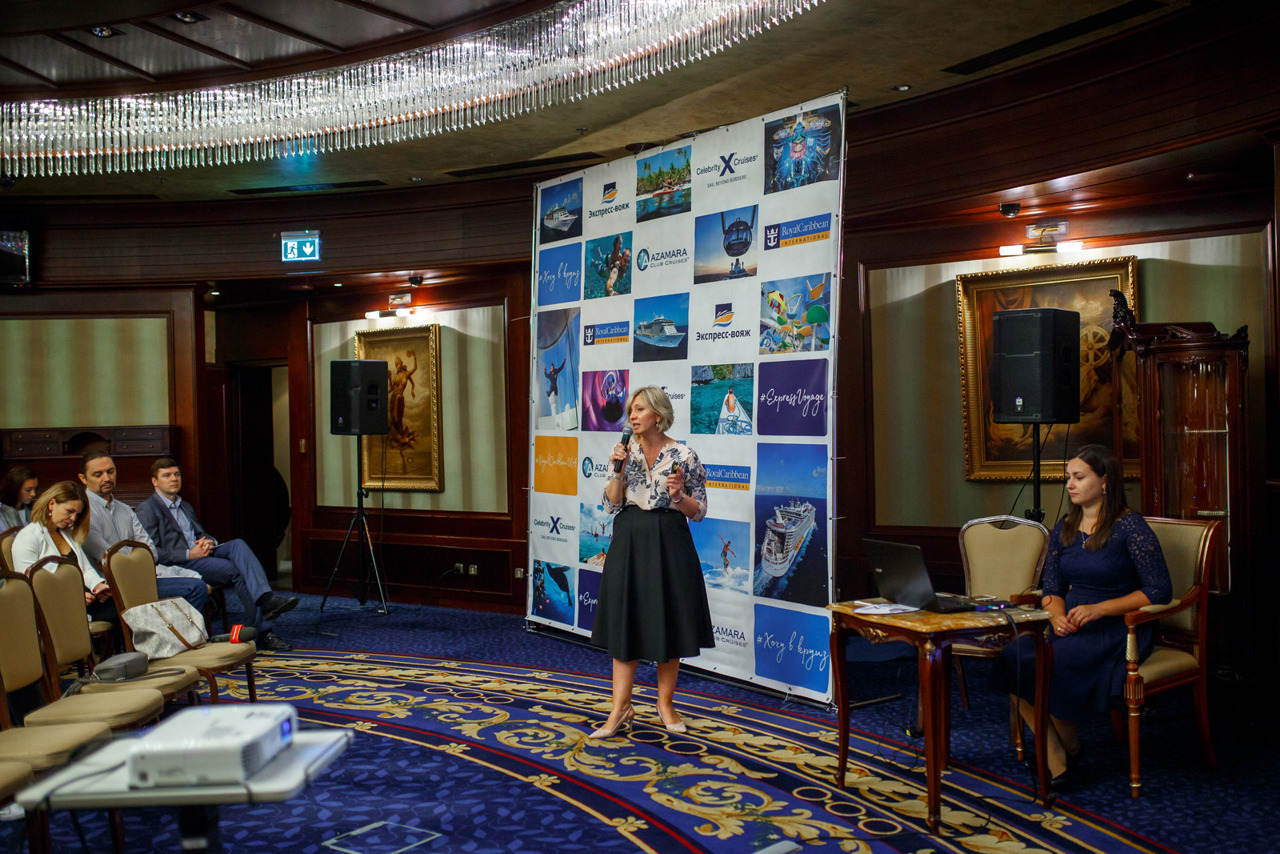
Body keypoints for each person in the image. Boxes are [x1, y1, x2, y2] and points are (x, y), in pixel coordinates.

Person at [990, 444, 1172, 788]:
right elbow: (1052, 588)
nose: (1069, 485)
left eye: (1078, 477)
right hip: (1071, 624)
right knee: (1014, 659)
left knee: (1048, 663)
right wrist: (1056, 617)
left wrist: (1099, 609)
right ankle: (1064, 748)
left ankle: (1059, 760)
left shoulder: (1130, 526)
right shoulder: (1066, 526)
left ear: (1104, 481)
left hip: (1118, 628)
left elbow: (1158, 590)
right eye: (1068, 477)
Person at [589, 386, 713, 738]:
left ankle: (665, 705)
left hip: (669, 539)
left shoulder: (684, 455)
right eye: (631, 410)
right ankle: (620, 708)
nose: (632, 415)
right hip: (629, 537)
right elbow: (610, 504)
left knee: (669, 621)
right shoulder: (623, 451)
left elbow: (699, 511)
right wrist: (618, 471)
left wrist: (678, 495)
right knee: (625, 621)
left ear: (658, 415)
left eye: (640, 409)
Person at [135, 458, 296, 651]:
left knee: (238, 544)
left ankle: (266, 598)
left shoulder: (184, 505)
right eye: (167, 475)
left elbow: (200, 533)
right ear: (155, 481)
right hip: (182, 563)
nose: (174, 479)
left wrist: (209, 541)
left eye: (176, 474)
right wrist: (188, 553)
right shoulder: (148, 508)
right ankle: (264, 630)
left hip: (203, 553)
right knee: (237, 571)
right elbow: (152, 551)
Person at [77, 452, 209, 614]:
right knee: (195, 588)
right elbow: (111, 561)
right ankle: (169, 631)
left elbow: (151, 552)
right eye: (98, 474)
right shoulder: (82, 512)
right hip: (109, 592)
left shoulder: (125, 509)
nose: (107, 478)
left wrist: (136, 563)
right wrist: (137, 559)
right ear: (83, 479)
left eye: (110, 471)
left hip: (139, 581)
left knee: (196, 581)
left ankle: (167, 630)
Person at [10, 481, 116, 623]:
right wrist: (71, 597)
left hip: (81, 601)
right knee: (121, 610)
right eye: (70, 511)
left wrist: (98, 586)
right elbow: (28, 586)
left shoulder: (67, 533)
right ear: (52, 504)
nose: (73, 518)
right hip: (51, 609)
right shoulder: (28, 536)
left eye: (77, 514)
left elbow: (85, 569)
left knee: (124, 602)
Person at [0, 465, 38, 530]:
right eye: (28, 490)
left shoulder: (32, 510)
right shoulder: (2, 512)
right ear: (15, 488)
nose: (33, 494)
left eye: (35, 489)